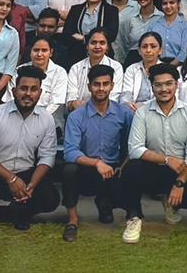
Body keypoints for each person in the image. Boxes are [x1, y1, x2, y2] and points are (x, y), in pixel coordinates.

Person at [0, 65, 59, 251]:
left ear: (40, 93)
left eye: (33, 89)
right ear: (14, 91)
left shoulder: (46, 119)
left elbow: (47, 156)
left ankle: (17, 211)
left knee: (51, 198)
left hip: (26, 177)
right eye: (24, 88)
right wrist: (11, 179)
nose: (28, 94)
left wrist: (31, 185)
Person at [120, 63, 187, 243]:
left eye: (169, 84)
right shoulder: (142, 112)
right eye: (158, 85)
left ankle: (171, 204)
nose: (164, 89)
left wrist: (180, 183)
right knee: (132, 168)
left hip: (179, 170)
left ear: (177, 84)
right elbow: (135, 149)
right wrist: (166, 159)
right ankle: (134, 217)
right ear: (152, 87)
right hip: (153, 168)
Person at [61, 62, 133, 240]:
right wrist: (97, 163)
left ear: (112, 86)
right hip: (87, 168)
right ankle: (72, 220)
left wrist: (123, 165)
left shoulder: (124, 114)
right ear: (89, 86)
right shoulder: (77, 116)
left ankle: (115, 208)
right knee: (69, 170)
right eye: (96, 84)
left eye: (105, 84)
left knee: (133, 171)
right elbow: (70, 151)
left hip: (113, 168)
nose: (101, 89)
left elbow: (131, 145)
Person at [61, 0, 119, 68]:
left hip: (103, 56)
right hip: (76, 56)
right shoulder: (76, 9)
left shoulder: (111, 11)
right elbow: (66, 35)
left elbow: (111, 35)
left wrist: (84, 38)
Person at [66, 28, 124, 108]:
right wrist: (75, 105)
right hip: (79, 112)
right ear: (87, 46)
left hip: (107, 112)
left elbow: (113, 98)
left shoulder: (116, 67)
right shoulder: (76, 68)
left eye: (102, 43)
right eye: (93, 42)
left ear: (107, 47)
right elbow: (71, 101)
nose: (97, 46)